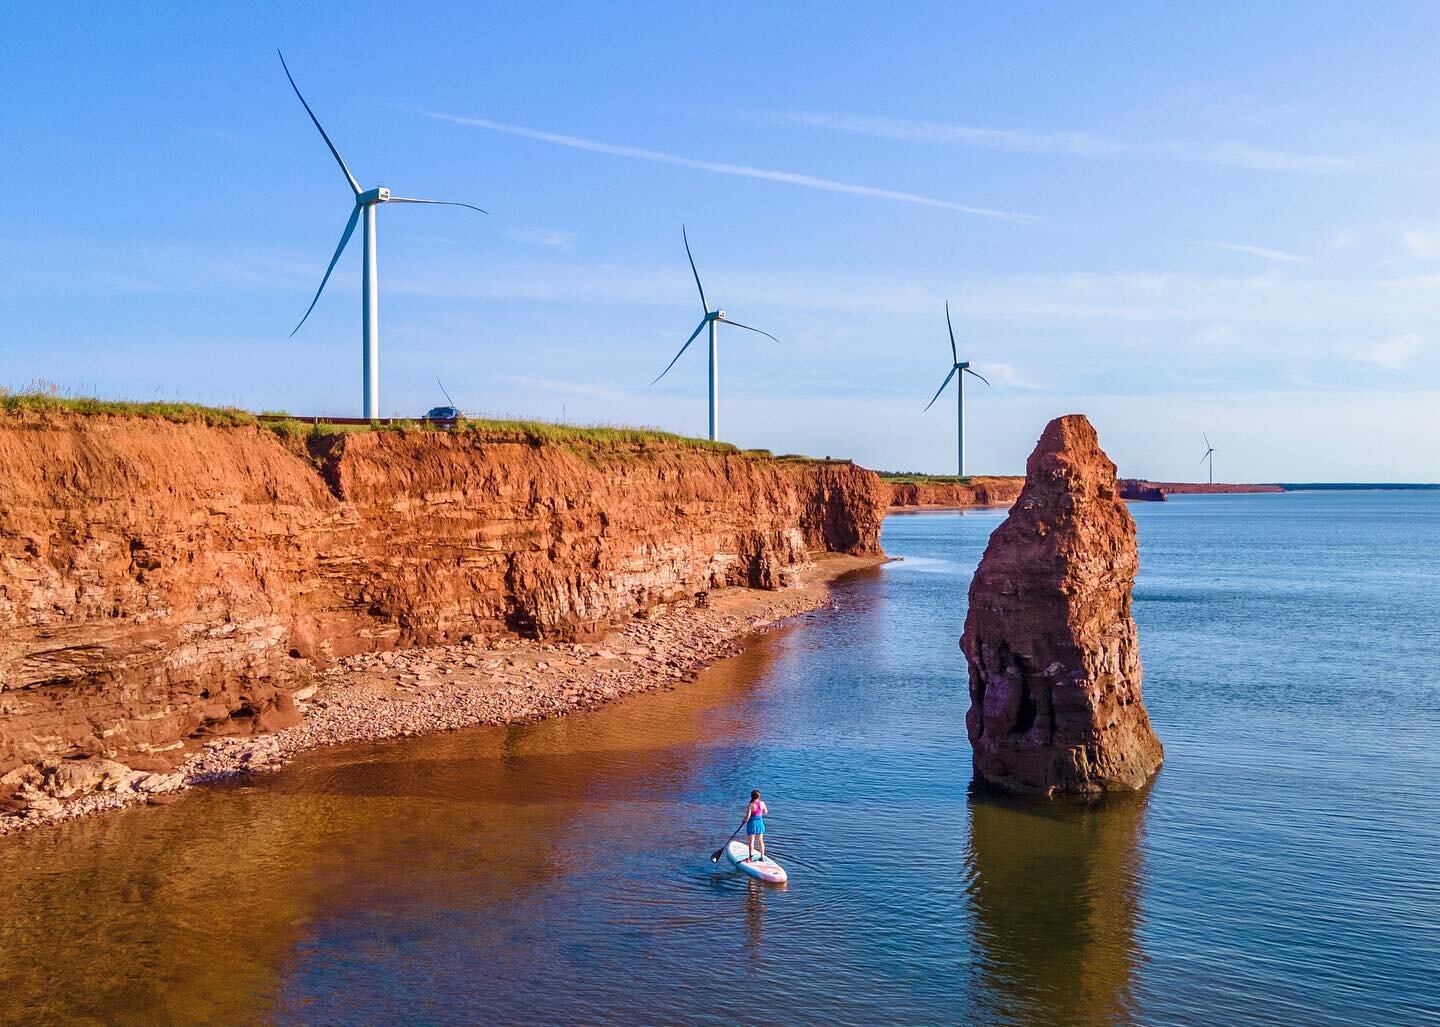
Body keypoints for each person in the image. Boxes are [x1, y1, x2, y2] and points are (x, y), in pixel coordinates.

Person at [741, 789, 768, 862]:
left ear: (752, 796)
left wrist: (743, 820)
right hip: (760, 824)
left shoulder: (750, 805)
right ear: (759, 796)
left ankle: (750, 857)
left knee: (751, 842)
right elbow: (765, 812)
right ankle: (762, 857)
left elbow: (747, 817)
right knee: (760, 841)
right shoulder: (762, 803)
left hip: (752, 824)